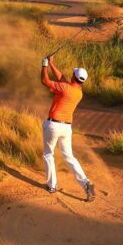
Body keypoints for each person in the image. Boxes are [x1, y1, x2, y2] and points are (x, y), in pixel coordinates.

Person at [40, 55, 96, 201]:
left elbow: (45, 81)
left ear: (74, 77)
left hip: (53, 125)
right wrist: (52, 63)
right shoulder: (78, 92)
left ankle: (52, 185)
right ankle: (86, 184)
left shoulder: (65, 88)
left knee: (48, 154)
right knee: (69, 156)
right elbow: (62, 78)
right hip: (66, 129)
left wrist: (44, 65)